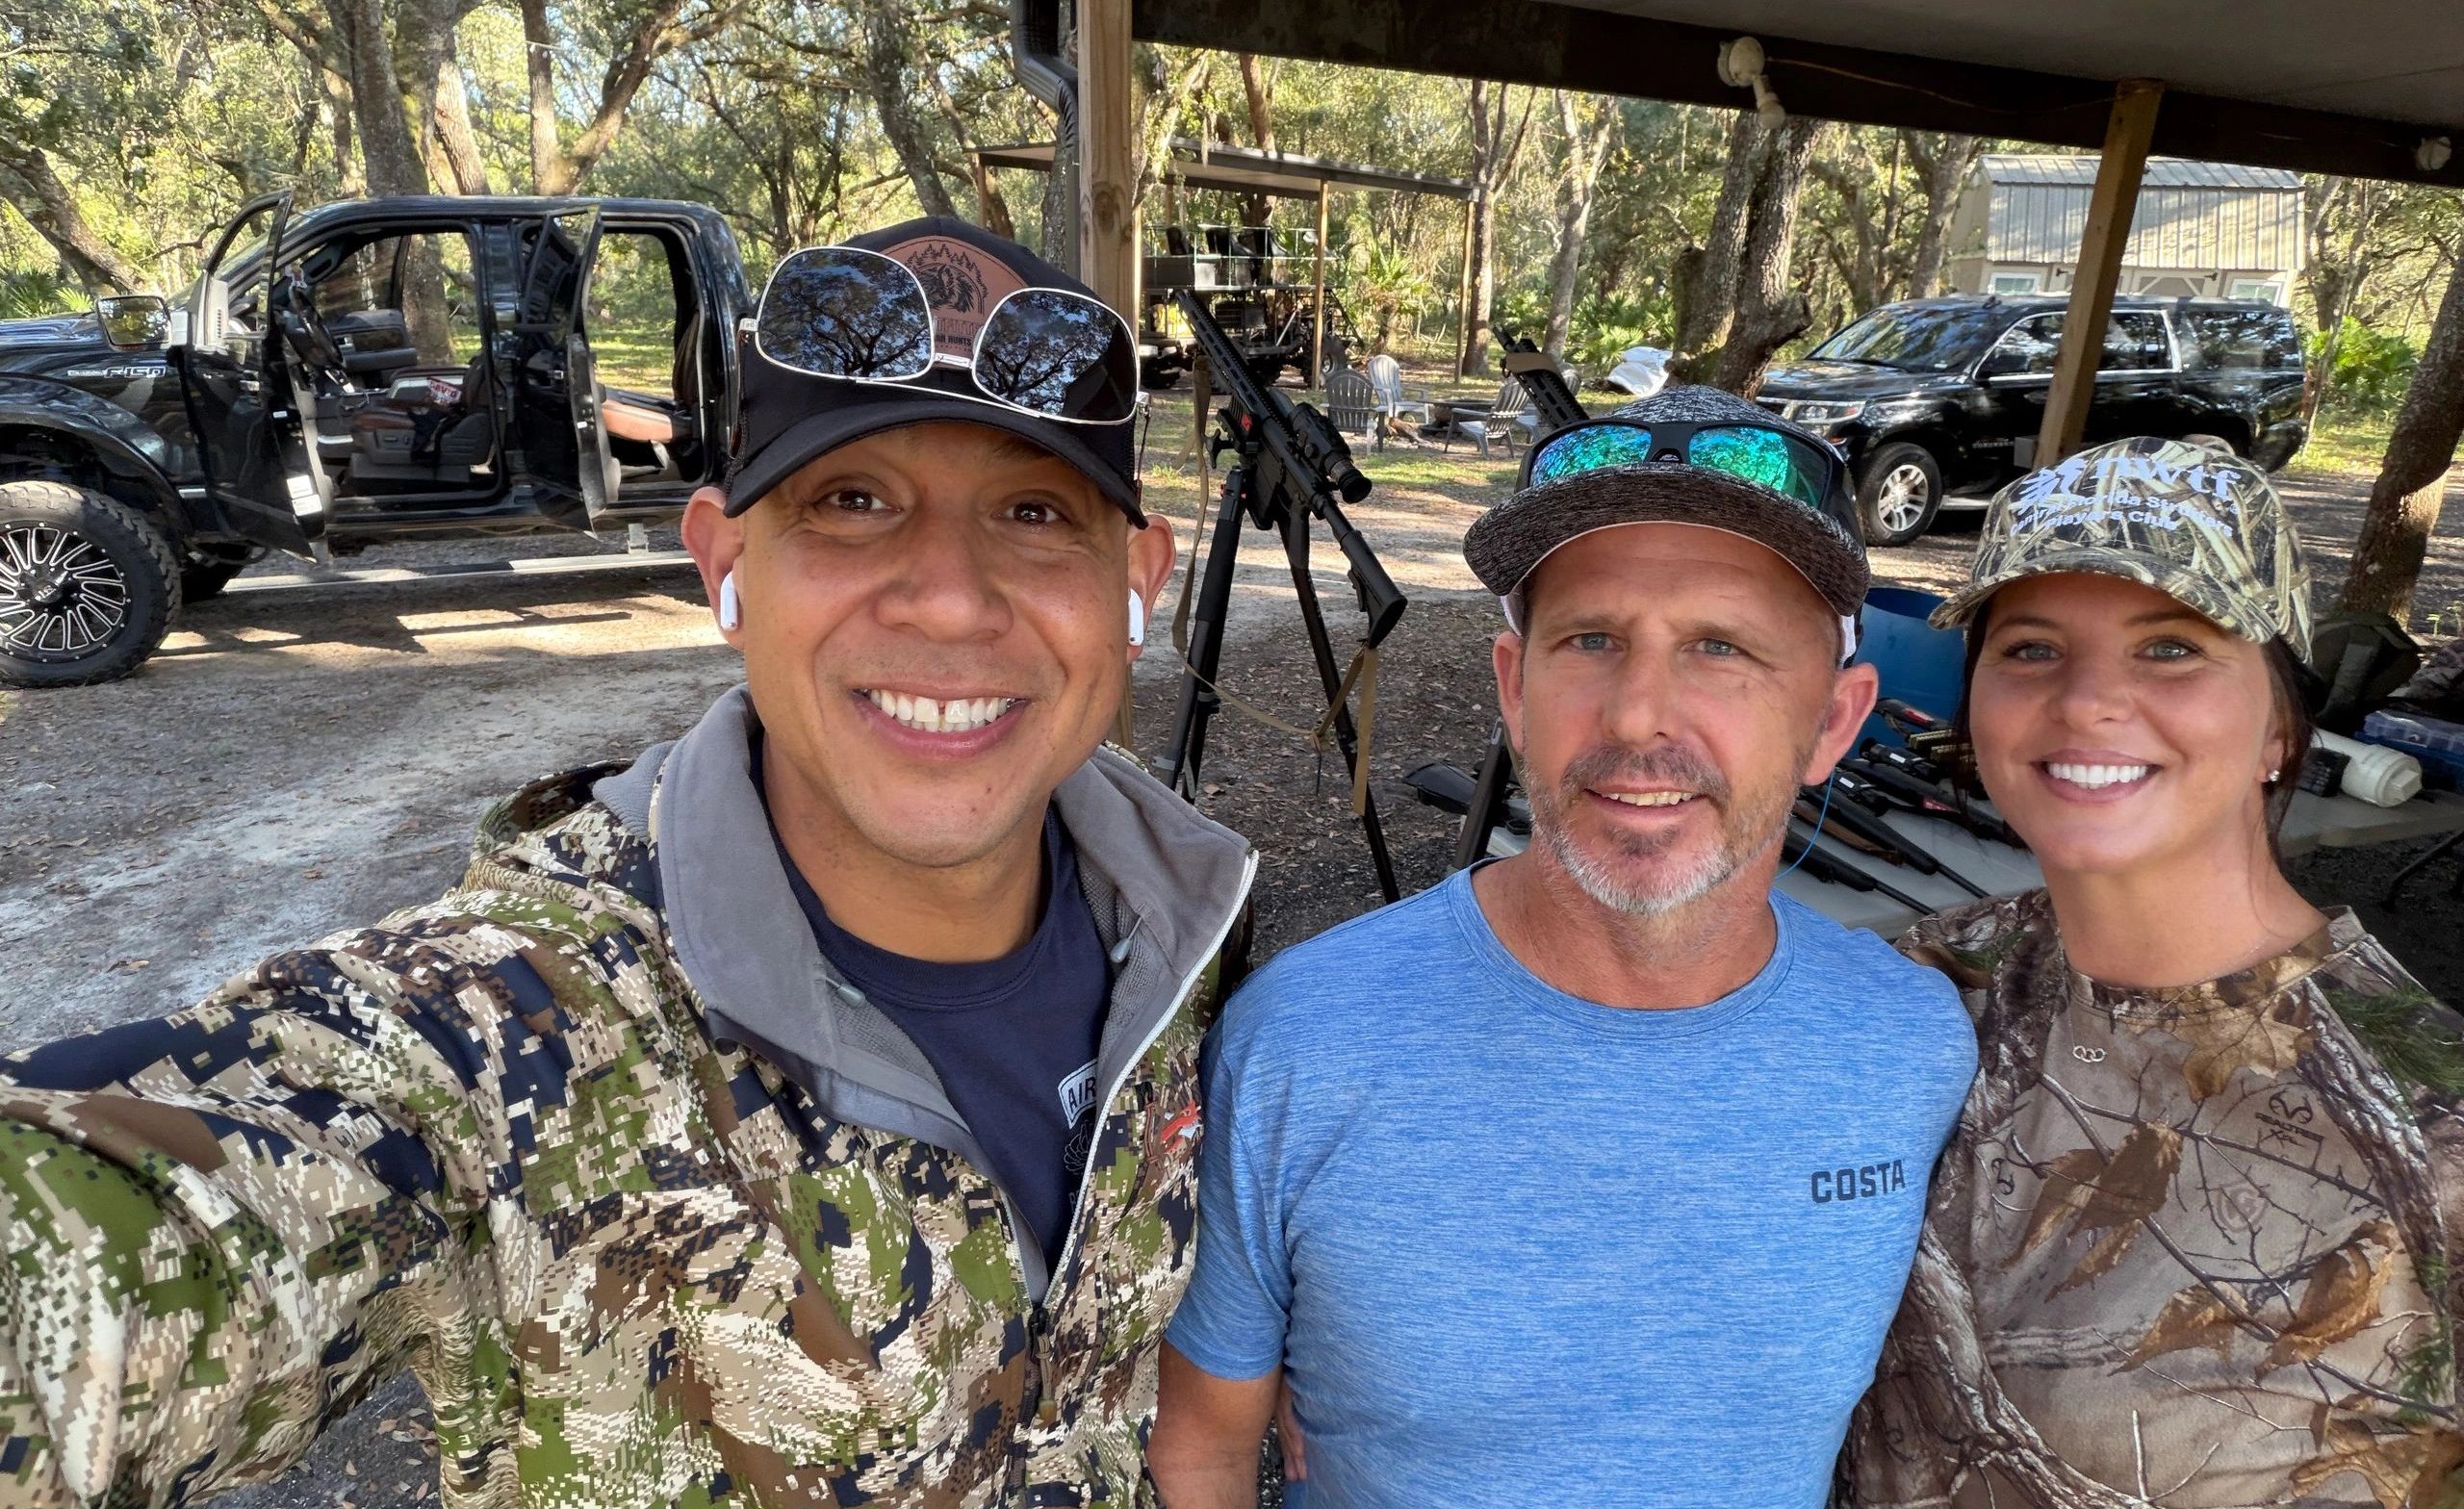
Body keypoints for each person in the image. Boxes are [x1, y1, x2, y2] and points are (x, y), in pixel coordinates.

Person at [0, 217, 1257, 1506]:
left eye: (1034, 511)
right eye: (852, 501)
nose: (948, 595)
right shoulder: (510, 1027)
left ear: (1135, 585)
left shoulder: (1178, 929)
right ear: (726, 565)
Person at [1147, 388, 1980, 1507]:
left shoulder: (1914, 1050)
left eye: (1720, 647)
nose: (1637, 715)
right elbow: (1201, 1445)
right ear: (1513, 686)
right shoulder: (1302, 1045)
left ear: (1833, 719)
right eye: (1591, 639)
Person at [1844, 437, 2464, 1505]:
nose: (2087, 700)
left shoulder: (2431, 1134)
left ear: (2280, 728)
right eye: (2031, 648)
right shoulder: (1911, 988)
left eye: (2171, 647)